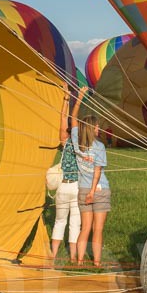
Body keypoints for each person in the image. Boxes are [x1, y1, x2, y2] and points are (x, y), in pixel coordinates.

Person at [71, 87, 110, 266]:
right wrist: (93, 192)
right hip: (98, 189)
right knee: (98, 229)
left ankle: (79, 261)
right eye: (96, 125)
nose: (98, 128)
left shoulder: (77, 142)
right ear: (91, 128)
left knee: (85, 227)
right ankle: (97, 262)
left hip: (83, 189)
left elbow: (72, 120)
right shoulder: (99, 147)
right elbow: (97, 171)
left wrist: (79, 98)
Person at [49, 97, 81, 264]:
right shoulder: (82, 146)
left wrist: (65, 99)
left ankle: (53, 255)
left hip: (62, 187)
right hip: (76, 188)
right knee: (74, 223)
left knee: (59, 221)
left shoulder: (65, 142)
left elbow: (63, 118)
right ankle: (74, 257)